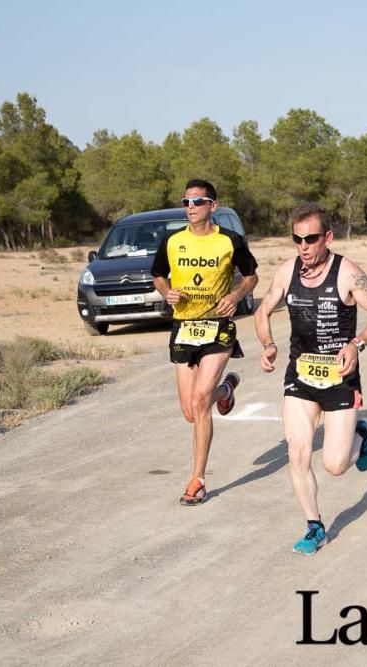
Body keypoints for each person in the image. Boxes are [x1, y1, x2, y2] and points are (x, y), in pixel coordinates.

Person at [254, 203, 367, 555]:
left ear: (327, 237)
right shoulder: (288, 273)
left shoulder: (347, 273)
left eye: (311, 238)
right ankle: (314, 526)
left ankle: (362, 435)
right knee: (297, 453)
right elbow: (263, 309)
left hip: (339, 379)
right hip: (299, 377)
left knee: (334, 465)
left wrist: (357, 343)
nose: (303, 246)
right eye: (297, 239)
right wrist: (269, 344)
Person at [151, 179, 259, 506]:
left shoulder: (230, 240)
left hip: (218, 326)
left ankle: (197, 480)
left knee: (200, 403)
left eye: (198, 201)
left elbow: (252, 275)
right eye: (186, 202)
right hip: (184, 326)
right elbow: (158, 274)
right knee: (189, 411)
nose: (191, 207)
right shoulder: (172, 241)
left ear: (213, 205)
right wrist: (165, 291)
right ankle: (224, 391)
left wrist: (237, 294)